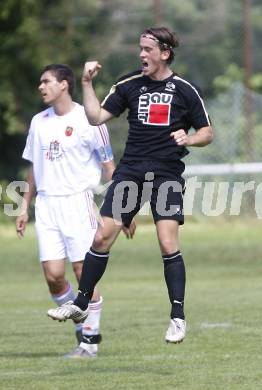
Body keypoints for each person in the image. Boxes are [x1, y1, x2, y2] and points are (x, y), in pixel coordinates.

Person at [47, 27, 213, 344]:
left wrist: (189, 137)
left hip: (166, 174)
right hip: (131, 173)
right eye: (140, 48)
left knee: (167, 242)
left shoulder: (185, 90)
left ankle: (177, 317)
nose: (141, 55)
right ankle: (81, 304)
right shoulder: (129, 84)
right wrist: (86, 83)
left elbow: (207, 132)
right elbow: (95, 117)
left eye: (148, 49)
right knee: (102, 236)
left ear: (164, 53)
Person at [16, 63, 135, 358]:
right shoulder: (38, 122)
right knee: (54, 275)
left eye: (46, 82)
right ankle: (80, 315)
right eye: (40, 82)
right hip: (46, 205)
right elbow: (34, 167)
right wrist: (23, 206)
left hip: (77, 201)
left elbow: (110, 168)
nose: (41, 87)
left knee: (84, 272)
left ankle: (89, 342)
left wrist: (125, 210)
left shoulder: (90, 119)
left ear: (64, 85)